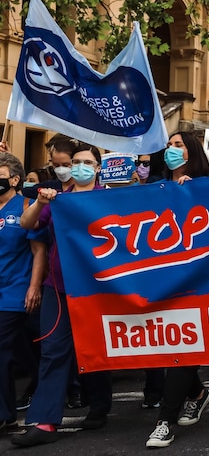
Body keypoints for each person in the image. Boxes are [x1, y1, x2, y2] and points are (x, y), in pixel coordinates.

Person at [14, 143, 113, 447]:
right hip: (58, 288)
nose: (79, 166)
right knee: (53, 351)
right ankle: (44, 422)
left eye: (86, 162)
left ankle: (99, 405)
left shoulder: (111, 199)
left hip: (98, 290)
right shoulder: (59, 201)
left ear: (97, 168)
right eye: (75, 162)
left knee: (94, 348)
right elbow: (26, 224)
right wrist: (41, 203)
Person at [145, 131, 209, 448]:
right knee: (166, 348)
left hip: (198, 283)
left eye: (179, 145)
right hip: (162, 282)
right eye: (169, 145)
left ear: (193, 152)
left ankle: (164, 421)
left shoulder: (208, 188)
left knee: (183, 348)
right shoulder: (154, 188)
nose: (171, 150)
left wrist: (194, 195)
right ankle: (198, 393)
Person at [0, 153, 46, 433]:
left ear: (15, 179)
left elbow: (38, 249)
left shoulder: (26, 205)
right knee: (20, 351)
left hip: (15, 291)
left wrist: (33, 286)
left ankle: (5, 413)